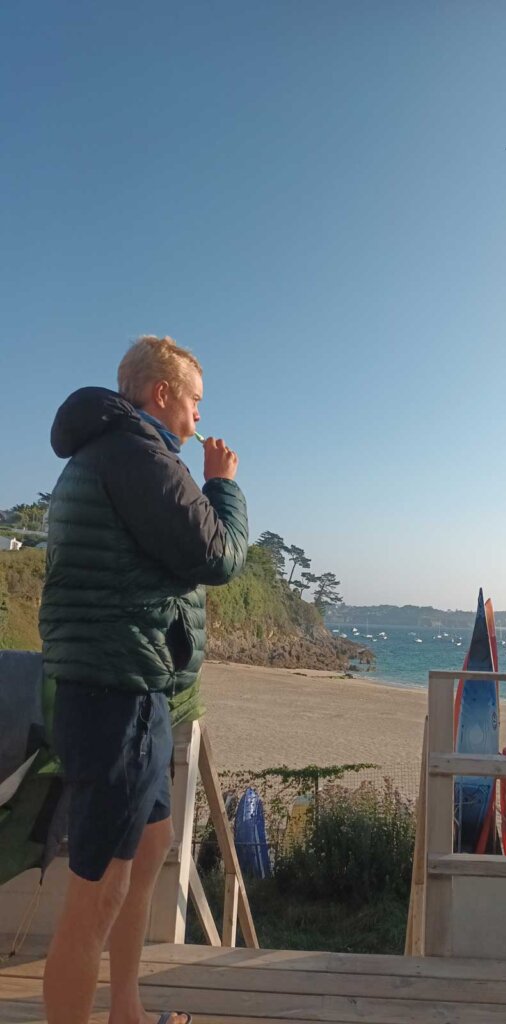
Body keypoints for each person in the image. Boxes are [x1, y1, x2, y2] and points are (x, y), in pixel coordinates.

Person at [39, 336, 249, 1024]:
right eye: (193, 401)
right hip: (118, 694)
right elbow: (215, 557)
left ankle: (126, 1009)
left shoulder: (111, 452)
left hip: (130, 691)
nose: (196, 418)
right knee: (97, 893)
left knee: (149, 847)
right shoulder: (139, 454)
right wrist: (223, 482)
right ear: (161, 395)